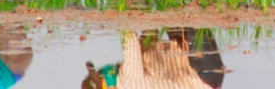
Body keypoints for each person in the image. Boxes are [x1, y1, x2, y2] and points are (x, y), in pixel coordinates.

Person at [82, 27, 224, 89]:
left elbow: (150, 33)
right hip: (205, 73)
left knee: (172, 0)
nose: (103, 71)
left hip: (207, 75)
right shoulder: (126, 84)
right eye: (101, 77)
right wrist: (118, 10)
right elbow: (130, 40)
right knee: (193, 13)